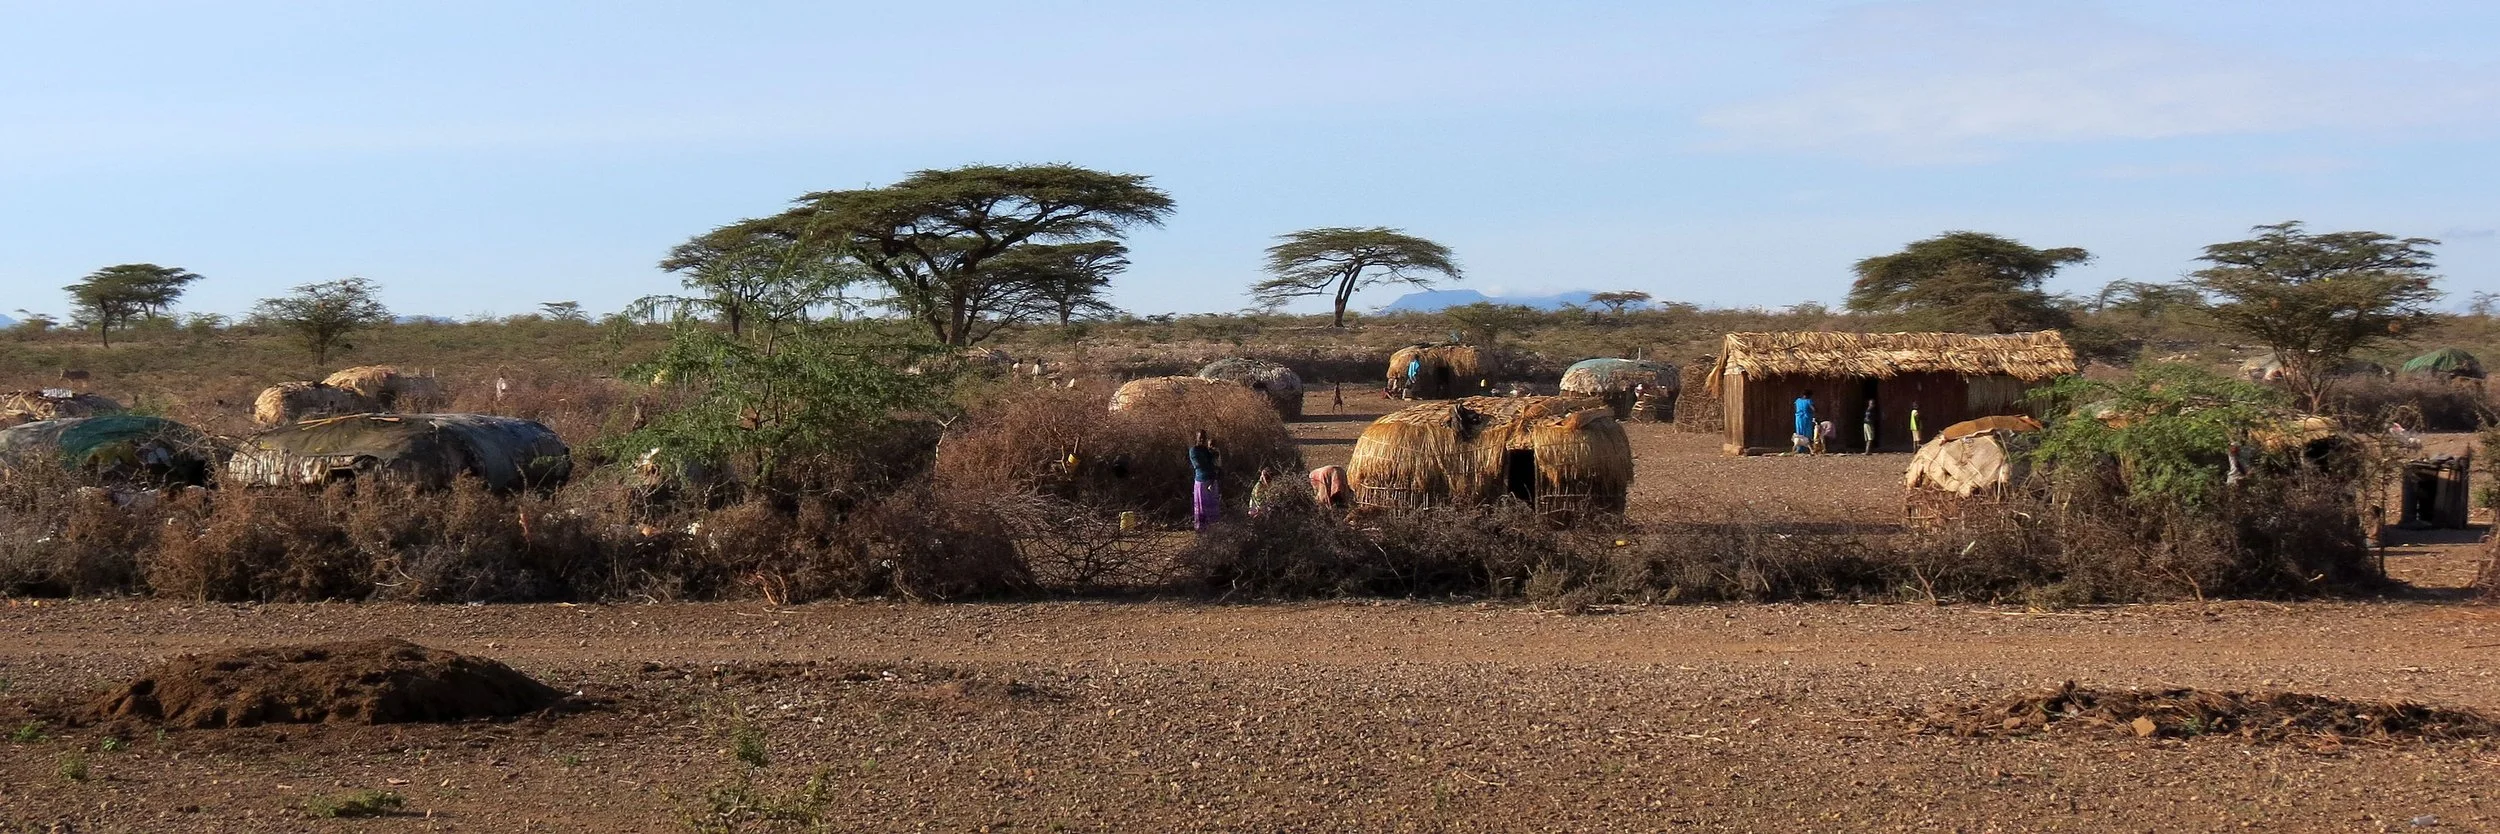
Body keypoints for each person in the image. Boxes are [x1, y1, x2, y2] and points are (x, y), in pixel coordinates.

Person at [1187, 430, 1223, 531]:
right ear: (1196, 438)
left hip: (1212, 480)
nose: (1202, 439)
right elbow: (1199, 465)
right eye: (1200, 437)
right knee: (1202, 506)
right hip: (1202, 481)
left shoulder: (1207, 450)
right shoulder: (1193, 451)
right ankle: (1202, 528)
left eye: (1204, 437)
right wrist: (1211, 464)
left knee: (1213, 506)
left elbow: (1216, 463)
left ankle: (1213, 528)